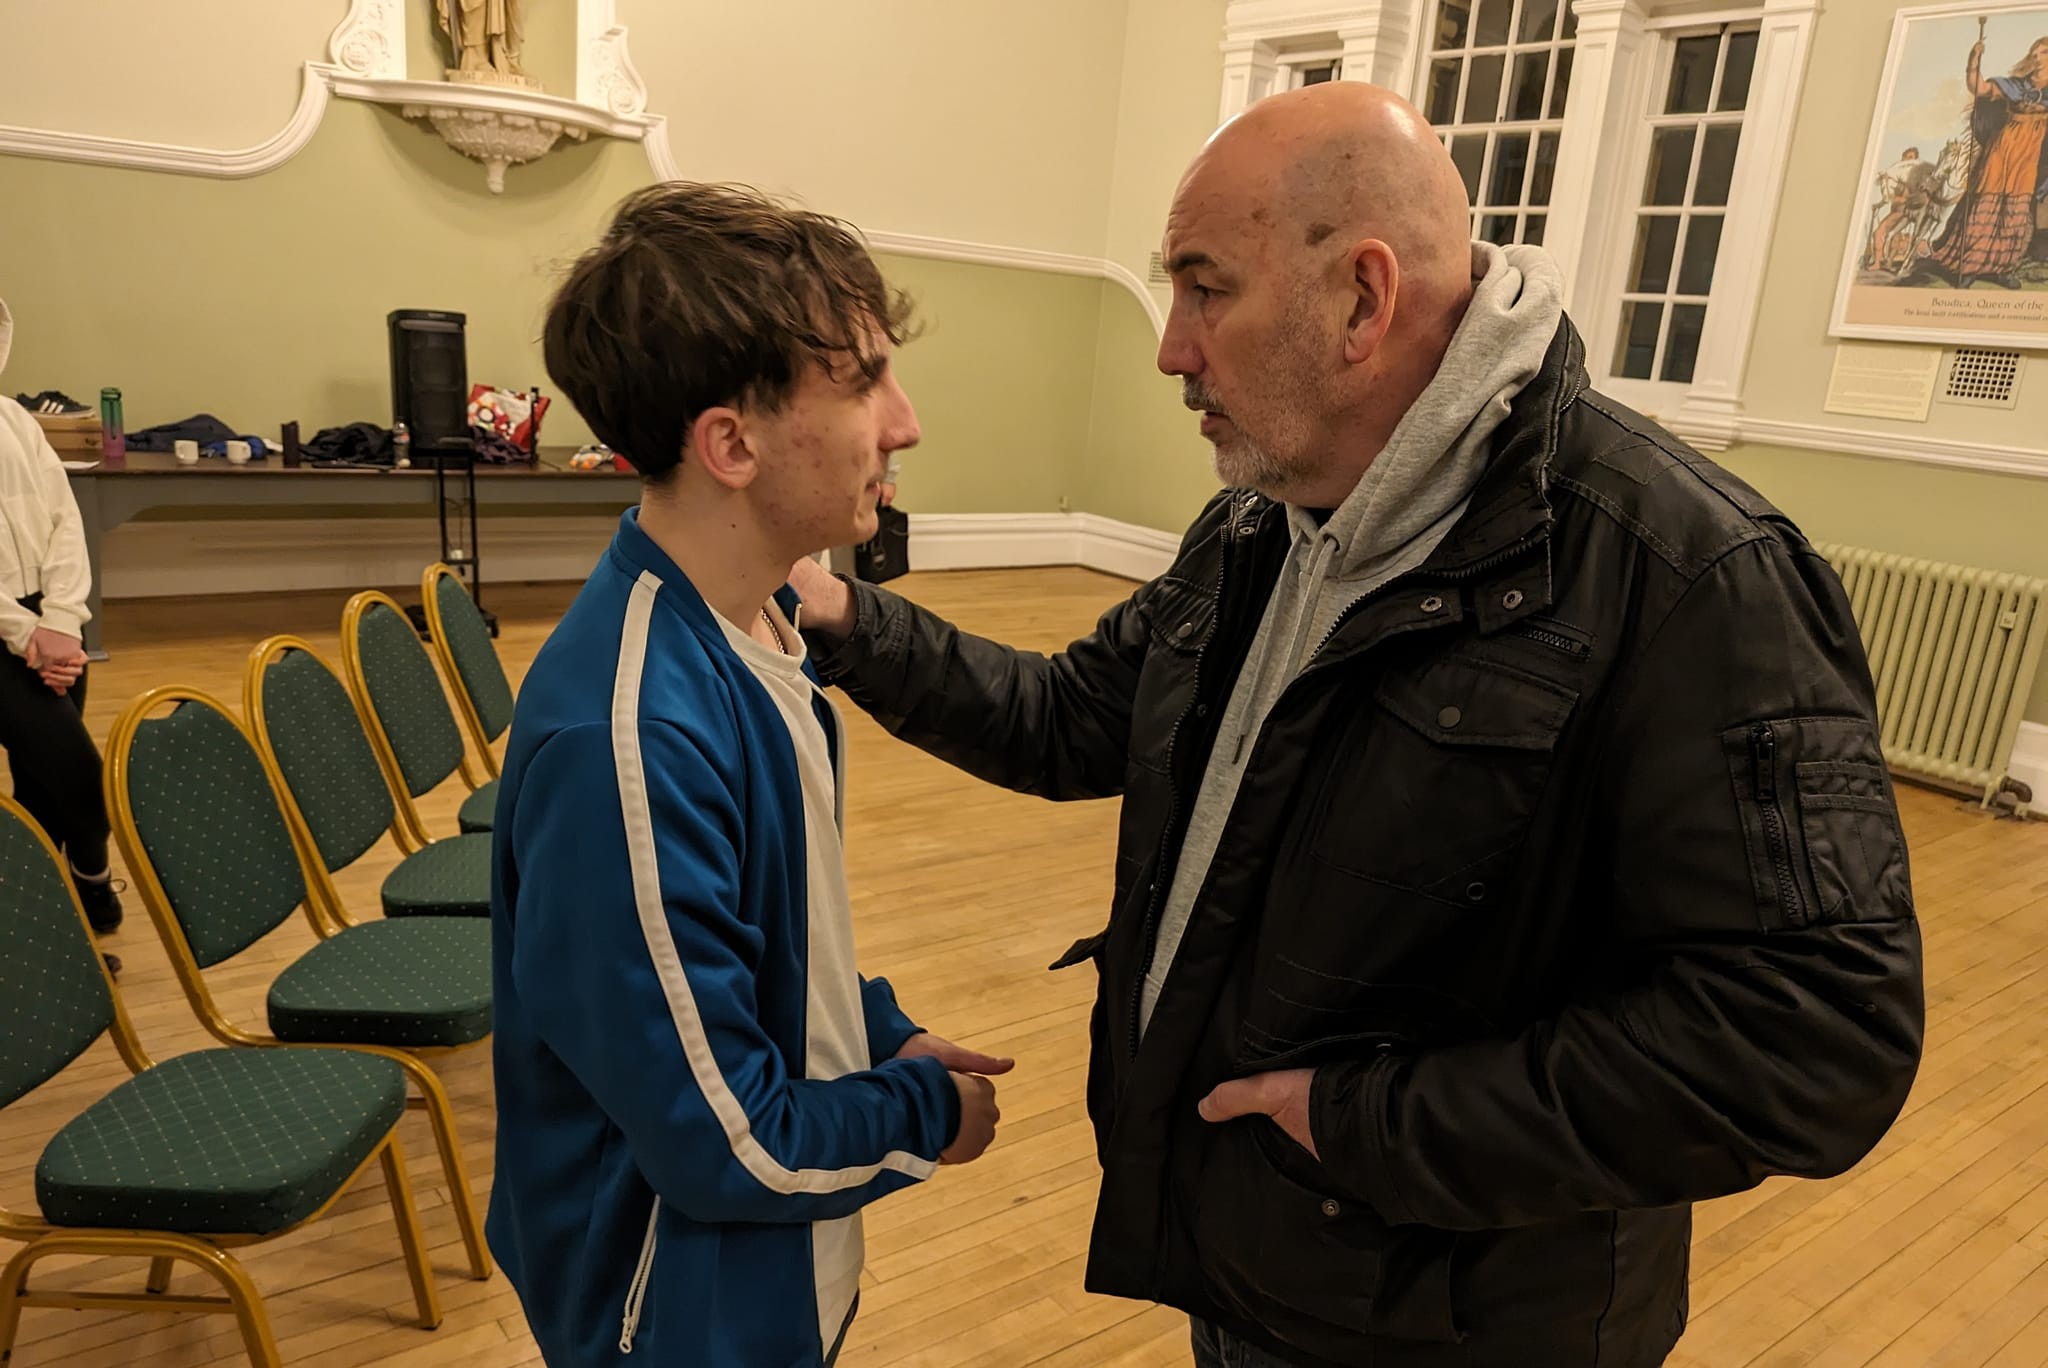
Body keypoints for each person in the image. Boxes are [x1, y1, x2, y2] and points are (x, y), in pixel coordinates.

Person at [790, 82, 1923, 1368]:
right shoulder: (1263, 524)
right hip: (1262, 1259)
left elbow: (1816, 1037)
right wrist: (840, 616)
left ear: (1362, 300)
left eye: (1204, 287)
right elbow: (1072, 719)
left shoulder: (1684, 573)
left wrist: (1368, 1125)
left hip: (1464, 1322)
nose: (1170, 347)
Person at [486, 183, 1009, 1367]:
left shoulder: (767, 628)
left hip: (767, 1274)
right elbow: (725, 1144)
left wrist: (875, 1035)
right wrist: (931, 1113)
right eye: (866, 381)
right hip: (672, 1310)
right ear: (731, 443)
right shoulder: (631, 735)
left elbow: (755, 953)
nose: (906, 422)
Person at [0, 296, 124, 970]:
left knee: (44, 788)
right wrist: (26, 634)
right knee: (78, 775)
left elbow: (63, 521)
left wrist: (61, 619)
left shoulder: (15, 419)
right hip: (11, 636)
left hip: (51, 627)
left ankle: (52, 924)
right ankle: (90, 889)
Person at [1925, 35, 2048, 289]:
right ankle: (1968, 267)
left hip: (2031, 154)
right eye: (2034, 54)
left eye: (2043, 53)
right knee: (1985, 202)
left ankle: (1999, 269)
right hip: (2004, 148)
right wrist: (1974, 60)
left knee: (2017, 209)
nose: (2037, 59)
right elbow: (1978, 88)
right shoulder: (2017, 85)